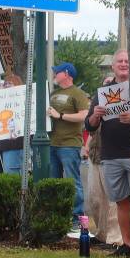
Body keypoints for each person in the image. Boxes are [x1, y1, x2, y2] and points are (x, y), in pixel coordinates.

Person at [85, 50, 130, 257]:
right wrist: (95, 117)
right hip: (111, 156)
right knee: (121, 202)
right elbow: (89, 124)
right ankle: (127, 245)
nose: (123, 64)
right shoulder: (103, 91)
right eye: (119, 61)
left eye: (127, 61)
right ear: (113, 66)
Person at [47, 62, 90, 227]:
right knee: (54, 181)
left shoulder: (77, 93)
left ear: (66, 73)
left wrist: (61, 115)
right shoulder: (53, 93)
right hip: (52, 143)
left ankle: (77, 218)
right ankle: (57, 215)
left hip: (69, 144)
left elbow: (84, 115)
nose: (54, 74)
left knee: (73, 181)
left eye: (56, 72)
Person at [0, 74, 26, 175]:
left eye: (10, 83)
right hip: (7, 144)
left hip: (18, 144)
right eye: (5, 84)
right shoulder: (2, 103)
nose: (6, 86)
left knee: (14, 173)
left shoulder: (23, 100)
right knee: (10, 174)